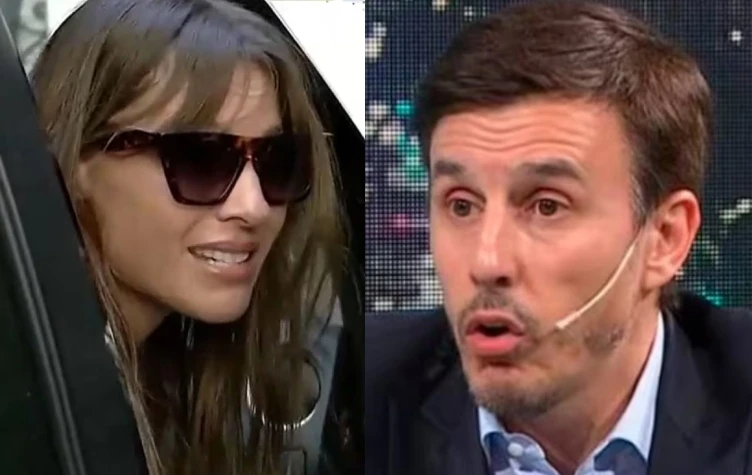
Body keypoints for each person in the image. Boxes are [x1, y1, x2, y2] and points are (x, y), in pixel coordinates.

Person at [366, 1, 752, 474]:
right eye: (461, 205)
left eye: (547, 206)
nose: (487, 262)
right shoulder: (357, 388)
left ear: (665, 238)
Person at [31, 0, 347, 473]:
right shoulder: (33, 400)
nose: (254, 207)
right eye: (200, 158)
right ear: (74, 164)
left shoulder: (174, 384)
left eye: (278, 161)